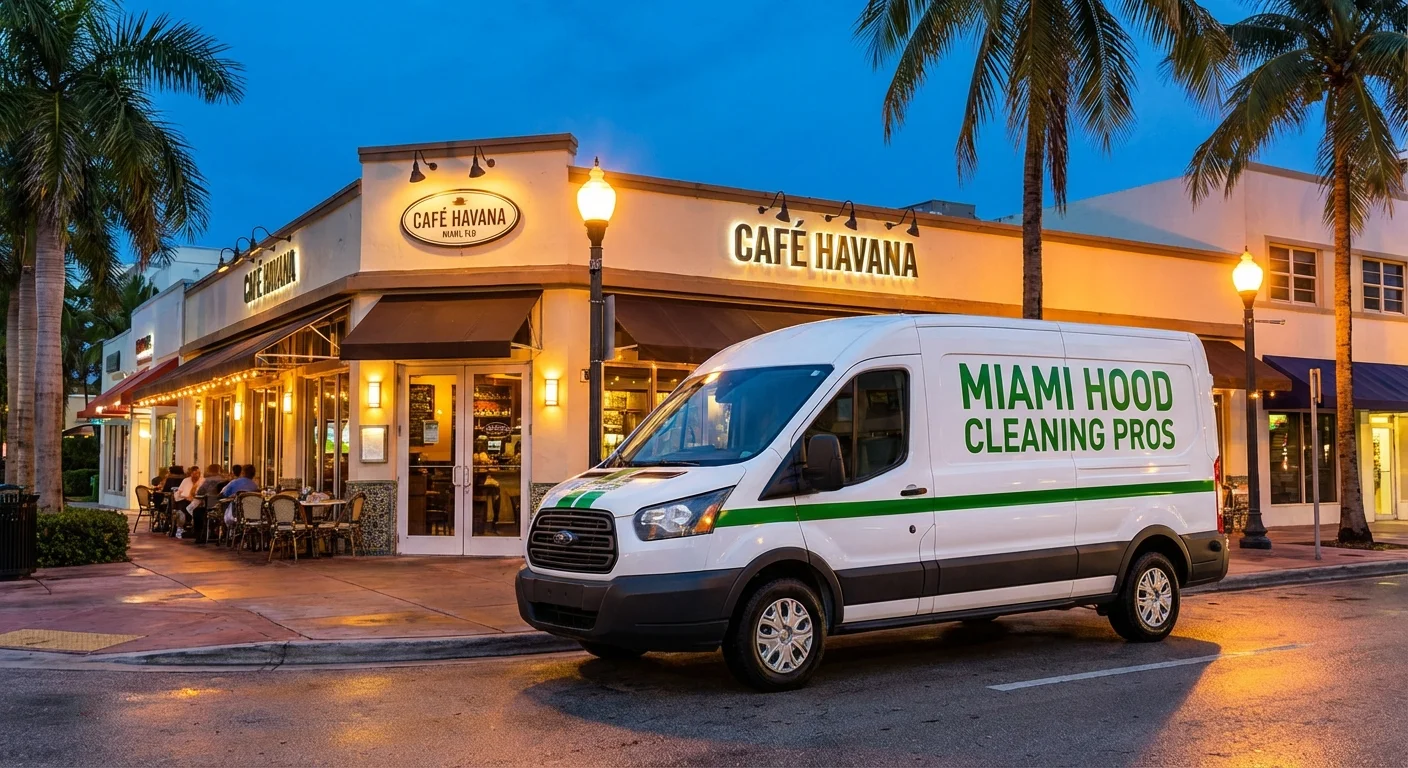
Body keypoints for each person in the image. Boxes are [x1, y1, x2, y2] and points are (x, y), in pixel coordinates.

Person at [220, 464, 260, 528]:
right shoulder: (254, 486)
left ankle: (225, 529)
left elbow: (224, 494)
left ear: (242, 472)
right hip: (251, 513)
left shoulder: (234, 482)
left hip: (235, 512)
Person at [170, 466, 201, 539]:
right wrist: (186, 497)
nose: (195, 475)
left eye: (197, 473)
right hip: (184, 499)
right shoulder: (186, 481)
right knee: (184, 505)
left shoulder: (202, 481)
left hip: (197, 499)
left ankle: (194, 526)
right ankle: (187, 525)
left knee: (196, 507)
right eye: (193, 473)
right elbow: (180, 492)